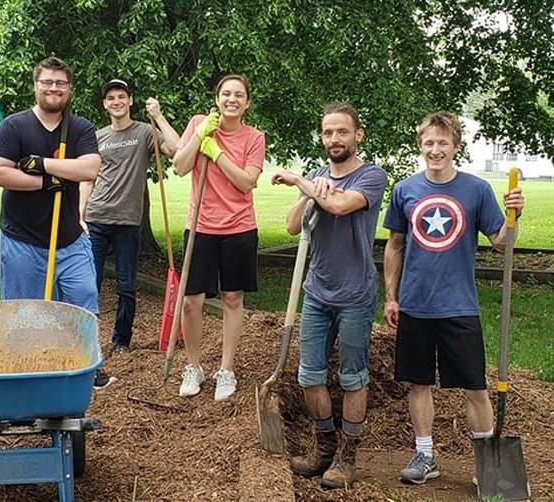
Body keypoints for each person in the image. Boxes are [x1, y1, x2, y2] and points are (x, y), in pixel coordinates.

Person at [382, 111, 525, 485]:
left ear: (455, 146)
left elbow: (500, 243)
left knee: (476, 387)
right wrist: (390, 297)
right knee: (418, 383)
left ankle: (486, 465)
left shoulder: (476, 190)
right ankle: (425, 454)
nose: (435, 149)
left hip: (459, 304)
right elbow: (395, 246)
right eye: (429, 143)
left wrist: (514, 217)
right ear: (421, 146)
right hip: (415, 304)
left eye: (442, 143)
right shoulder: (405, 190)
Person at [271, 102, 387, 488]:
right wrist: (308, 192)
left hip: (355, 292)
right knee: (309, 376)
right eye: (327, 133)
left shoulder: (371, 176)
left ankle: (348, 458)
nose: (334, 139)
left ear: (358, 135)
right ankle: (324, 448)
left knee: (353, 376)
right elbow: (291, 227)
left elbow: (339, 206)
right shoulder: (318, 175)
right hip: (317, 290)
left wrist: (303, 183)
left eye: (341, 132)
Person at [0, 57, 113, 387]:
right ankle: (25, 369)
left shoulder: (79, 127)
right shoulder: (14, 126)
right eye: (47, 82)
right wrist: (47, 183)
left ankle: (86, 364)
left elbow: (88, 169)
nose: (54, 88)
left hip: (69, 238)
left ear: (69, 89)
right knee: (24, 310)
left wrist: (40, 164)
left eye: (60, 83)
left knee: (84, 297)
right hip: (23, 239)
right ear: (35, 86)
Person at [171, 74, 265, 402]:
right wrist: (199, 136)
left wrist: (217, 152)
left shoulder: (254, 137)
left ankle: (226, 370)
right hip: (200, 228)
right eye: (226, 94)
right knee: (191, 300)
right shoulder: (200, 123)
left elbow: (246, 182)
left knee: (232, 298)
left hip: (239, 227)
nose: (232, 99)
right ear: (217, 98)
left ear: (247, 103)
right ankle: (194, 367)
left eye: (239, 95)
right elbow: (180, 167)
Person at [79, 79, 180, 354]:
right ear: (104, 104)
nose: (117, 102)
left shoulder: (145, 132)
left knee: (126, 285)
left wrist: (158, 116)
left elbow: (178, 150)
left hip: (128, 221)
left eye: (121, 96)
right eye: (111, 98)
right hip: (97, 218)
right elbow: (87, 178)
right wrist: (80, 213)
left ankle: (121, 341)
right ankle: (88, 342)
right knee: (90, 284)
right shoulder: (97, 137)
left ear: (130, 100)